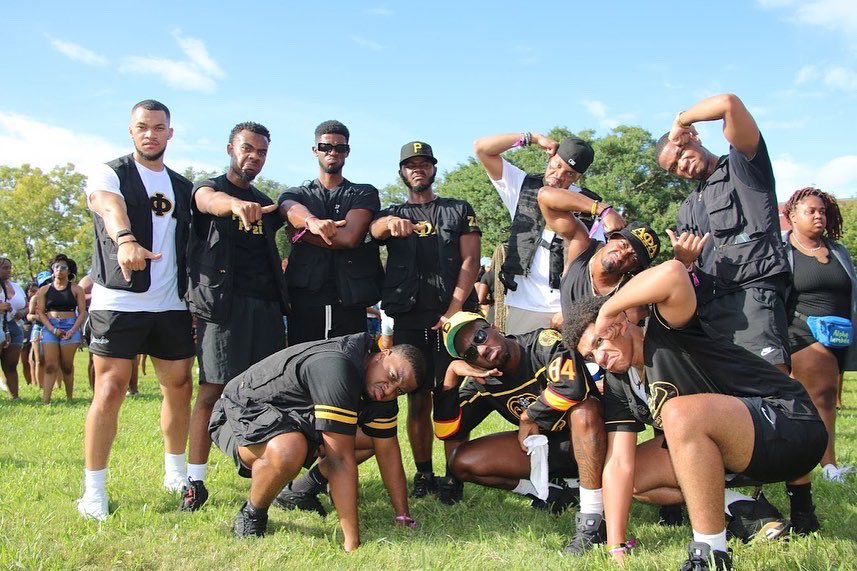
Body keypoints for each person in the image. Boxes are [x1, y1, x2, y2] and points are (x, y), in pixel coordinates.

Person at [565, 260, 826, 570]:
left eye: (599, 342)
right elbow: (619, 462)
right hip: (737, 449)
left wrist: (608, 308)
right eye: (591, 356)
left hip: (791, 427)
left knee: (679, 413)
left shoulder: (668, 330)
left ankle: (711, 553)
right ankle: (741, 508)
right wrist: (615, 546)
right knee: (634, 480)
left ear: (620, 324)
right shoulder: (620, 381)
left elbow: (674, 272)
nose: (600, 358)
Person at [78, 99, 195, 521]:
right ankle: (94, 490)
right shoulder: (110, 172)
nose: (151, 134)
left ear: (170, 133)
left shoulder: (182, 186)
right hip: (119, 300)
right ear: (131, 130)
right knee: (109, 390)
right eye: (142, 126)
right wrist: (126, 240)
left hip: (171, 303)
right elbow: (110, 206)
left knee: (179, 386)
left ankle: (176, 472)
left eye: (159, 127)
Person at [208, 333, 423, 550]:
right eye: (393, 377)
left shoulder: (381, 391)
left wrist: (402, 515)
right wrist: (352, 544)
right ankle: (253, 513)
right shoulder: (337, 366)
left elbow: (387, 450)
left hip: (297, 423)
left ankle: (298, 491)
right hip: (238, 414)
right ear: (383, 354)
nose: (389, 390)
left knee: (371, 440)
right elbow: (340, 459)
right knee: (289, 450)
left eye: (399, 391)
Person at [181, 121, 289, 512]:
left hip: (267, 308)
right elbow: (209, 201)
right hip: (222, 308)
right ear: (230, 148)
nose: (253, 157)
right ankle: (194, 482)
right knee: (213, 390)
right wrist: (235, 206)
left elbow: (289, 215)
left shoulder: (266, 201)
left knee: (268, 394)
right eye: (247, 149)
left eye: (261, 152)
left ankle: (269, 476)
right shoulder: (208, 188)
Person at [439, 312, 613, 552]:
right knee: (461, 461)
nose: (480, 350)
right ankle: (549, 492)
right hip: (545, 452)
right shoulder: (485, 380)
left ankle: (593, 519)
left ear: (493, 326)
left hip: (591, 444)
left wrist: (529, 416)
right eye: (469, 353)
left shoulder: (542, 342)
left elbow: (572, 387)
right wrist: (451, 375)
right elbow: (448, 430)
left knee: (585, 410)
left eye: (480, 336)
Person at [369, 141, 481, 503]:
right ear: (402, 172)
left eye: (424, 163)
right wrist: (389, 223)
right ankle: (424, 473)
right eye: (410, 164)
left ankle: (454, 473)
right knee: (416, 397)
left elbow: (470, 261)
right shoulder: (392, 211)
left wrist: (452, 310)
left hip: (455, 317)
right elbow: (373, 231)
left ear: (433, 169)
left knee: (450, 396)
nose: (418, 169)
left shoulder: (457, 209)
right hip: (409, 317)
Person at [654, 94, 791, 372]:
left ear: (694, 138)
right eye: (673, 168)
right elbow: (686, 273)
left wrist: (681, 120)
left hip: (752, 296)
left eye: (680, 153)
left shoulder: (743, 167)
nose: (681, 166)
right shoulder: (688, 208)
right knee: (731, 404)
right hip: (710, 312)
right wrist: (684, 259)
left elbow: (729, 103)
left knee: (771, 392)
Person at [473, 132, 598, 333]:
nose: (558, 176)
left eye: (569, 174)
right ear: (550, 157)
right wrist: (532, 138)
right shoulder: (522, 185)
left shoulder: (590, 204)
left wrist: (570, 307)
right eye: (557, 165)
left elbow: (594, 265)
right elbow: (482, 148)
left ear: (578, 177)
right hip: (522, 304)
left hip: (565, 308)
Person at [277, 120, 383, 344]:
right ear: (315, 150)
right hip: (305, 299)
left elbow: (349, 238)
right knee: (302, 364)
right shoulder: (296, 193)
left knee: (347, 365)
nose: (332, 152)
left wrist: (299, 233)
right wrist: (311, 221)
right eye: (325, 147)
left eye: (340, 148)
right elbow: (287, 208)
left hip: (349, 301)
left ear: (347, 152)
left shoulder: (364, 193)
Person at [782, 187, 856, 484]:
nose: (818, 216)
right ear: (792, 216)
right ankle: (809, 464)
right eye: (810, 211)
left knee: (825, 397)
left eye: (822, 211)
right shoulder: (784, 251)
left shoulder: (837, 250)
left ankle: (828, 464)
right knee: (817, 395)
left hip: (837, 334)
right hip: (800, 331)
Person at [35, 254, 87, 403]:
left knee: (67, 365)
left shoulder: (77, 289)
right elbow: (40, 312)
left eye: (63, 267)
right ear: (52, 270)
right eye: (56, 267)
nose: (59, 270)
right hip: (51, 327)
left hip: (70, 326)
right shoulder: (44, 290)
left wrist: (73, 330)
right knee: (50, 365)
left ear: (68, 270)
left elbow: (82, 312)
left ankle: (69, 397)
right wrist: (51, 329)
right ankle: (46, 400)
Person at [0, 257, 27, 400]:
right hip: (0, 325)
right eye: (4, 268)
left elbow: (27, 306)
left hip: (14, 327)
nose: (8, 270)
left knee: (11, 364)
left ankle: (15, 396)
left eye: (9, 267)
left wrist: (22, 313)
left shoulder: (16, 286)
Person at [475, 257, 495, 323]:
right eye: (488, 266)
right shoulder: (478, 284)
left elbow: (481, 300)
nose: (489, 268)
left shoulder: (487, 276)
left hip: (492, 311)